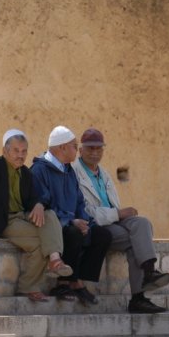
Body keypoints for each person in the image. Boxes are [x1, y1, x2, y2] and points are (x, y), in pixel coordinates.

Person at [72, 127, 169, 314]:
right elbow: (86, 211)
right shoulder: (74, 173)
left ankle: (149, 272)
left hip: (114, 219)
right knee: (136, 241)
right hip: (97, 225)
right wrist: (119, 214)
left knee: (142, 223)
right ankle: (139, 296)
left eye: (98, 149)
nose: (94, 153)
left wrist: (120, 214)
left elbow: (112, 204)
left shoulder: (104, 173)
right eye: (90, 148)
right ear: (81, 150)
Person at [0, 128, 73, 302]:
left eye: (24, 151)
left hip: (22, 217)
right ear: (5, 151)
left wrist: (38, 204)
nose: (20, 155)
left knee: (50, 215)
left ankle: (54, 260)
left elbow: (36, 197)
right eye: (16, 151)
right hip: (3, 220)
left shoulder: (26, 173)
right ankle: (30, 285)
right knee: (41, 242)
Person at [30, 125, 112, 305]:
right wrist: (71, 221)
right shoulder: (39, 170)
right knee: (72, 233)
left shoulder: (69, 171)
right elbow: (44, 204)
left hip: (73, 221)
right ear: (61, 148)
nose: (77, 149)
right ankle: (63, 283)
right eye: (74, 146)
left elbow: (79, 201)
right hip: (55, 224)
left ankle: (77, 281)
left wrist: (84, 221)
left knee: (102, 235)